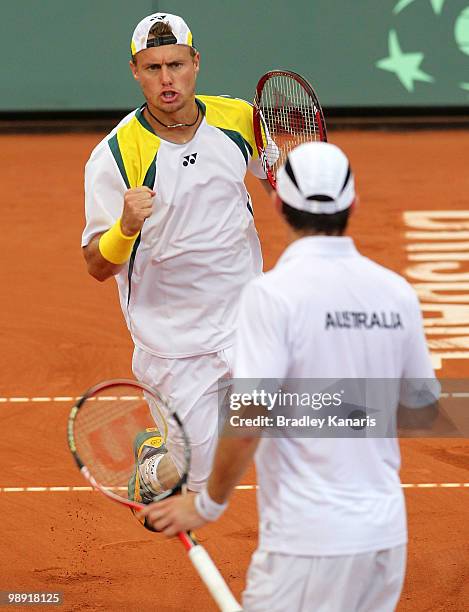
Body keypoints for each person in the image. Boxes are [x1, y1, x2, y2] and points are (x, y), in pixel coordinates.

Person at [139, 142, 440, 611]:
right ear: (353, 205)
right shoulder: (396, 292)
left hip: (307, 542)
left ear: (279, 204)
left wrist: (205, 506)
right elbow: (422, 403)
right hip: (385, 539)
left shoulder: (270, 295)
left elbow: (248, 420)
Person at [81, 13, 270, 500]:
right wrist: (124, 228)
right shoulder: (116, 155)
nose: (167, 80)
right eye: (153, 68)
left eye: (176, 65)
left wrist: (289, 178)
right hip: (175, 343)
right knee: (198, 477)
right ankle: (153, 468)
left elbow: (277, 184)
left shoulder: (240, 119)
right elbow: (96, 265)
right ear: (135, 71)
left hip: (247, 318)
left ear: (196, 63)